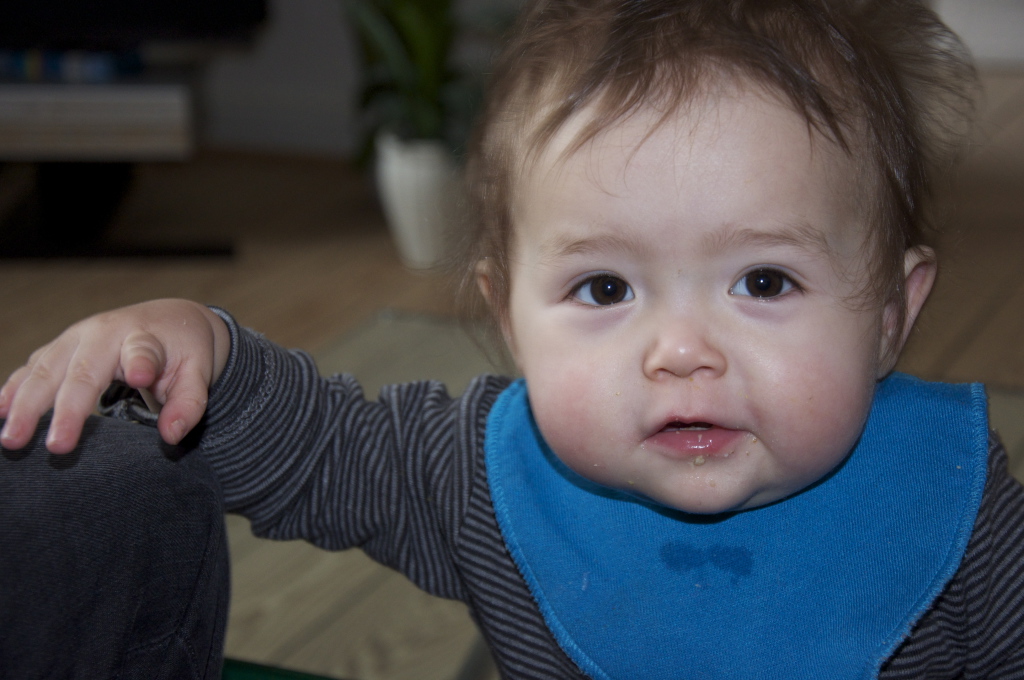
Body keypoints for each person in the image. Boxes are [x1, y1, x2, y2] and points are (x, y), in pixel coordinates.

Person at [2, 0, 1023, 677]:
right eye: (604, 286)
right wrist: (207, 357)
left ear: (890, 313)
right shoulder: (487, 478)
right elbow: (322, 450)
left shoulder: (958, 505)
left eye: (763, 280)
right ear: (508, 319)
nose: (680, 351)